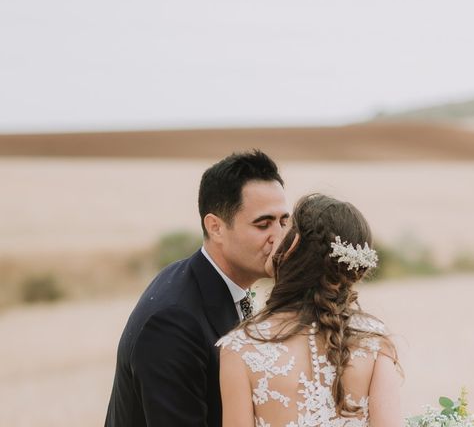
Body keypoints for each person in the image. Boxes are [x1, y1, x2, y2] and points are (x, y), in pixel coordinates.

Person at [105, 150, 290, 427]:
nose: (279, 237)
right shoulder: (173, 323)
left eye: (284, 222)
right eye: (263, 224)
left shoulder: (205, 280)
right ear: (215, 227)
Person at [216, 193, 403, 427]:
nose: (275, 236)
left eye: (285, 226)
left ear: (294, 244)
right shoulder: (374, 342)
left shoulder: (239, 348)